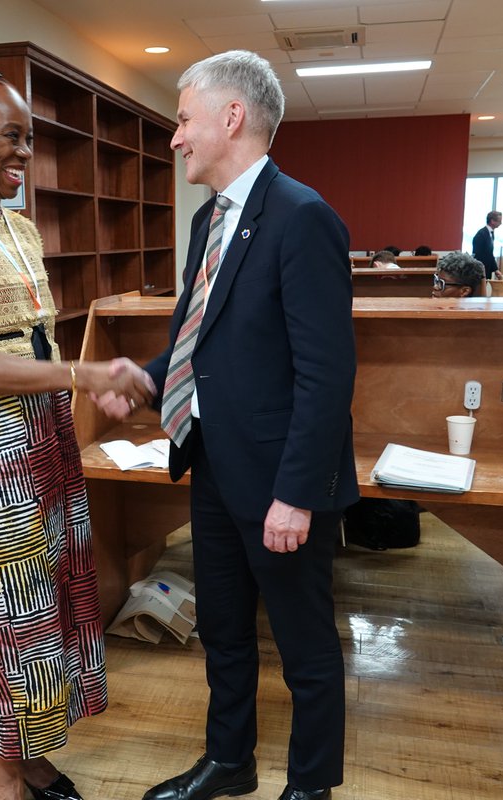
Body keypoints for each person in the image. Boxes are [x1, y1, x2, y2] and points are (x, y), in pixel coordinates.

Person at [0, 66, 156, 800]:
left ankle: (35, 750)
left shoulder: (19, 227)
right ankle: (2, 773)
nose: (25, 154)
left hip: (42, 430)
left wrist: (84, 384)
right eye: (13, 137)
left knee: (59, 596)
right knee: (10, 608)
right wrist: (85, 377)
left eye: (30, 140)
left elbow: (33, 344)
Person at [136, 50, 357, 800]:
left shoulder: (302, 217)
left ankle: (311, 787)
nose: (175, 137)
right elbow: (202, 336)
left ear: (232, 117)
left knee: (304, 648)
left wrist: (296, 495)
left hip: (278, 483)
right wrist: (139, 378)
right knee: (224, 632)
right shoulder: (210, 219)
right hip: (214, 467)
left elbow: (327, 376)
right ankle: (229, 762)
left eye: (183, 118)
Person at [471, 210, 502, 278]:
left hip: (487, 269)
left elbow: (490, 253)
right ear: (492, 221)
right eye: (499, 221)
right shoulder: (481, 234)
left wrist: (495, 269)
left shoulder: (490, 233)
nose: (501, 223)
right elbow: (478, 255)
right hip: (480, 271)